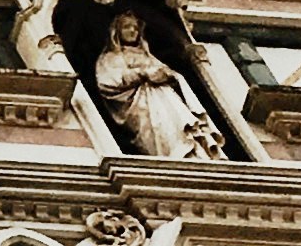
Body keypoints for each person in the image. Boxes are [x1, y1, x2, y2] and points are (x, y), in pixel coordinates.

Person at [90, 12, 222, 160]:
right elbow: (107, 82)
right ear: (116, 32)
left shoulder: (147, 55)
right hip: (143, 106)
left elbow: (167, 72)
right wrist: (143, 73)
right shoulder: (111, 57)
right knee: (163, 133)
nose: (133, 30)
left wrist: (168, 75)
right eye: (127, 27)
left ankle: (197, 156)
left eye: (135, 27)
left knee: (182, 130)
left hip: (167, 99)